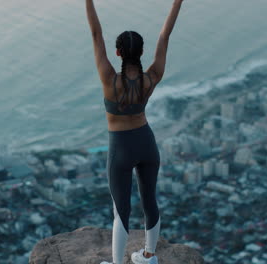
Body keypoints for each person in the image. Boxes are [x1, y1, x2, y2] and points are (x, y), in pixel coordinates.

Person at [85, 0, 185, 263]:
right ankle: (149, 257)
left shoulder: (110, 78)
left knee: (122, 211)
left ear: (118, 53)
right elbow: (165, 35)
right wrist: (177, 2)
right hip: (147, 143)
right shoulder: (151, 77)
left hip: (121, 148)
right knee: (150, 202)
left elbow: (96, 34)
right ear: (141, 53)